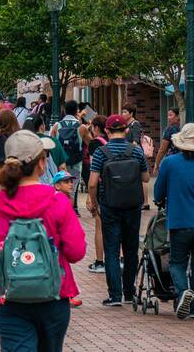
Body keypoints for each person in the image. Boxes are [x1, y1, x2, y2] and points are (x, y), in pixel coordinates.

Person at [0, 130, 85, 351]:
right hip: (54, 294)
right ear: (42, 164)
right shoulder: (57, 201)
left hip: (9, 297)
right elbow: (76, 251)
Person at [152, 123, 194, 319]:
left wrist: (161, 199)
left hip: (181, 220)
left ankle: (182, 293)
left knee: (177, 262)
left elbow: (158, 192)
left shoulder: (169, 163)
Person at [86, 114, 147, 306]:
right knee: (130, 250)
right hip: (132, 206)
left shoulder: (101, 153)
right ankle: (129, 293)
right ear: (127, 130)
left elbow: (93, 183)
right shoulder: (136, 151)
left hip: (110, 205)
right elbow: (145, 178)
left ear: (107, 130)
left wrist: (94, 203)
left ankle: (115, 295)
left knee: (111, 250)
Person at [80, 114, 107, 274]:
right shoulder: (117, 143)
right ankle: (120, 259)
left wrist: (92, 198)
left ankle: (99, 261)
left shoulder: (95, 144)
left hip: (102, 188)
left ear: (97, 128)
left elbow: (93, 175)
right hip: (120, 190)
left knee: (100, 224)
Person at [152, 108, 181, 175]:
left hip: (172, 162)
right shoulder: (184, 128)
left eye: (171, 115)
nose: (168, 118)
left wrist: (156, 164)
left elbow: (162, 149)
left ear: (177, 116)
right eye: (168, 115)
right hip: (184, 161)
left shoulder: (170, 129)